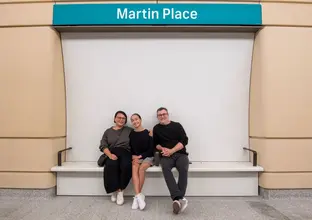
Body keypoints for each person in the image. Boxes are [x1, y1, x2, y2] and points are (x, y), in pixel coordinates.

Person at [153, 107, 189, 214]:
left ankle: (176, 199)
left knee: (183, 168)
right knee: (165, 168)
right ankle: (179, 199)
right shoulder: (156, 128)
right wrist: (162, 149)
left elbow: (184, 141)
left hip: (180, 154)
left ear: (168, 114)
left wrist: (171, 150)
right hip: (166, 155)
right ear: (157, 117)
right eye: (160, 115)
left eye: (164, 114)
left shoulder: (177, 125)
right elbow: (156, 144)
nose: (162, 116)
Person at [99, 110, 133, 205]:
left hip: (125, 152)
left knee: (126, 166)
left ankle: (120, 190)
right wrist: (109, 155)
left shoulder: (129, 130)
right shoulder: (108, 131)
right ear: (114, 119)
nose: (121, 120)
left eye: (123, 118)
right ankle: (114, 189)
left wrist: (149, 133)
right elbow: (103, 145)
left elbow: (139, 137)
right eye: (119, 117)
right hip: (112, 152)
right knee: (111, 165)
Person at [129, 113, 154, 210]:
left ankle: (136, 197)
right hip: (136, 157)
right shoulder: (131, 134)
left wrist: (141, 156)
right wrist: (133, 156)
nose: (135, 121)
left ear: (140, 120)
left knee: (141, 168)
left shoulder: (148, 133)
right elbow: (130, 148)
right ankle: (139, 196)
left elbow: (151, 149)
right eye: (133, 120)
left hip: (148, 156)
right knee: (134, 167)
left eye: (136, 119)